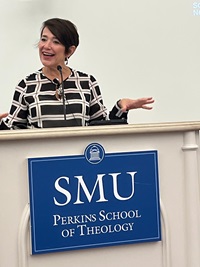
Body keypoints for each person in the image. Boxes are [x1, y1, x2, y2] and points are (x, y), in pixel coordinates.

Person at [0, 18, 154, 130]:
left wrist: (120, 107)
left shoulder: (87, 82)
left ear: (70, 50)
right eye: (43, 39)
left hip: (78, 167)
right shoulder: (26, 85)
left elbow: (101, 128)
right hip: (39, 166)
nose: (46, 46)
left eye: (56, 42)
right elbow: (14, 133)